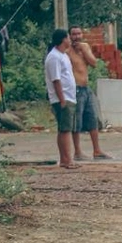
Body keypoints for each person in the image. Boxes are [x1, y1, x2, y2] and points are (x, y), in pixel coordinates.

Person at [68, 26, 110, 161]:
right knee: (77, 122)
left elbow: (94, 63)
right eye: (74, 34)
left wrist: (84, 51)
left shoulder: (85, 47)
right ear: (69, 36)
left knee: (93, 119)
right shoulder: (66, 50)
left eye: (79, 34)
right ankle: (77, 151)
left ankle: (97, 150)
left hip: (86, 89)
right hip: (75, 89)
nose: (77, 37)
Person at [45, 29, 79, 169]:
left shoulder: (63, 55)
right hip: (62, 98)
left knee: (65, 129)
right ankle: (67, 160)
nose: (70, 40)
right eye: (68, 37)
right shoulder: (54, 57)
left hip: (69, 96)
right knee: (65, 130)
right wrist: (62, 99)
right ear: (63, 39)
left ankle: (65, 159)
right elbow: (56, 80)